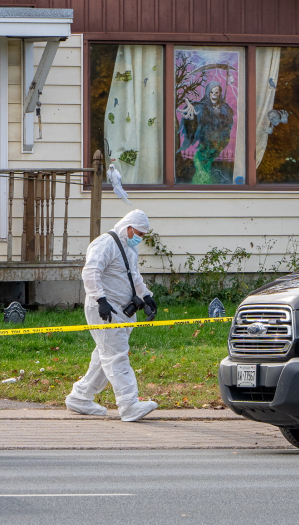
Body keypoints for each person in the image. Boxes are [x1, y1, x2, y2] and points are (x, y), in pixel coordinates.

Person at [66, 210, 159, 422]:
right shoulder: (105, 243)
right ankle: (129, 404)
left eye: (143, 235)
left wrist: (146, 295)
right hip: (105, 309)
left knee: (105, 355)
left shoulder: (129, 248)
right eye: (139, 233)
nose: (140, 238)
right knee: (116, 355)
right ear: (128, 227)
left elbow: (133, 276)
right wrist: (100, 299)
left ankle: (80, 397)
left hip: (120, 309)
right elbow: (91, 271)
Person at [177, 81, 235, 184]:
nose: (214, 95)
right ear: (208, 93)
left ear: (220, 93)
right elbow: (197, 108)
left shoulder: (225, 108)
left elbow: (229, 122)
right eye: (211, 92)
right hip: (205, 145)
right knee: (202, 166)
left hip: (218, 145)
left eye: (216, 92)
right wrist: (191, 108)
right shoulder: (203, 106)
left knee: (209, 167)